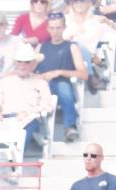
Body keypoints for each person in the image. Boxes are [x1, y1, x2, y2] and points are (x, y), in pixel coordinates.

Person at [0, 43, 54, 151]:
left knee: (28, 129)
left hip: (29, 120)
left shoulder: (41, 83)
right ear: (15, 63)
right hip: (5, 120)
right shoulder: (5, 82)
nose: (23, 65)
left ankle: (14, 160)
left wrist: (29, 112)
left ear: (33, 64)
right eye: (19, 62)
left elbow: (47, 105)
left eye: (27, 62)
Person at [35, 12, 87, 142]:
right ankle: (33, 132)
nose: (55, 31)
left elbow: (83, 74)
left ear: (64, 27)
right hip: (42, 86)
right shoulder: (41, 46)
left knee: (63, 87)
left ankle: (70, 127)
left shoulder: (71, 46)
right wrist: (39, 76)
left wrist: (60, 72)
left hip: (62, 85)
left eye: (58, 28)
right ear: (47, 29)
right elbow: (30, 70)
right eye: (52, 28)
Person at [63, 0, 116, 88]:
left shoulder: (97, 20)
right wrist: (73, 33)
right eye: (75, 1)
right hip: (65, 55)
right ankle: (91, 75)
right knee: (74, 44)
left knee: (77, 44)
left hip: (86, 58)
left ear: (91, 3)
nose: (79, 4)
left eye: (82, 1)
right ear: (71, 4)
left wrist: (108, 22)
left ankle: (90, 72)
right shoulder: (64, 19)